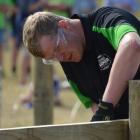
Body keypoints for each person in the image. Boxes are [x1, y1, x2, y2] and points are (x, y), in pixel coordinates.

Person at [23, 7, 140, 121]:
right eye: (52, 58)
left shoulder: (105, 20)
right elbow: (96, 108)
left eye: (57, 48)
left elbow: (132, 45)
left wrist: (106, 106)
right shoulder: (69, 64)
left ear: (64, 26)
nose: (60, 58)